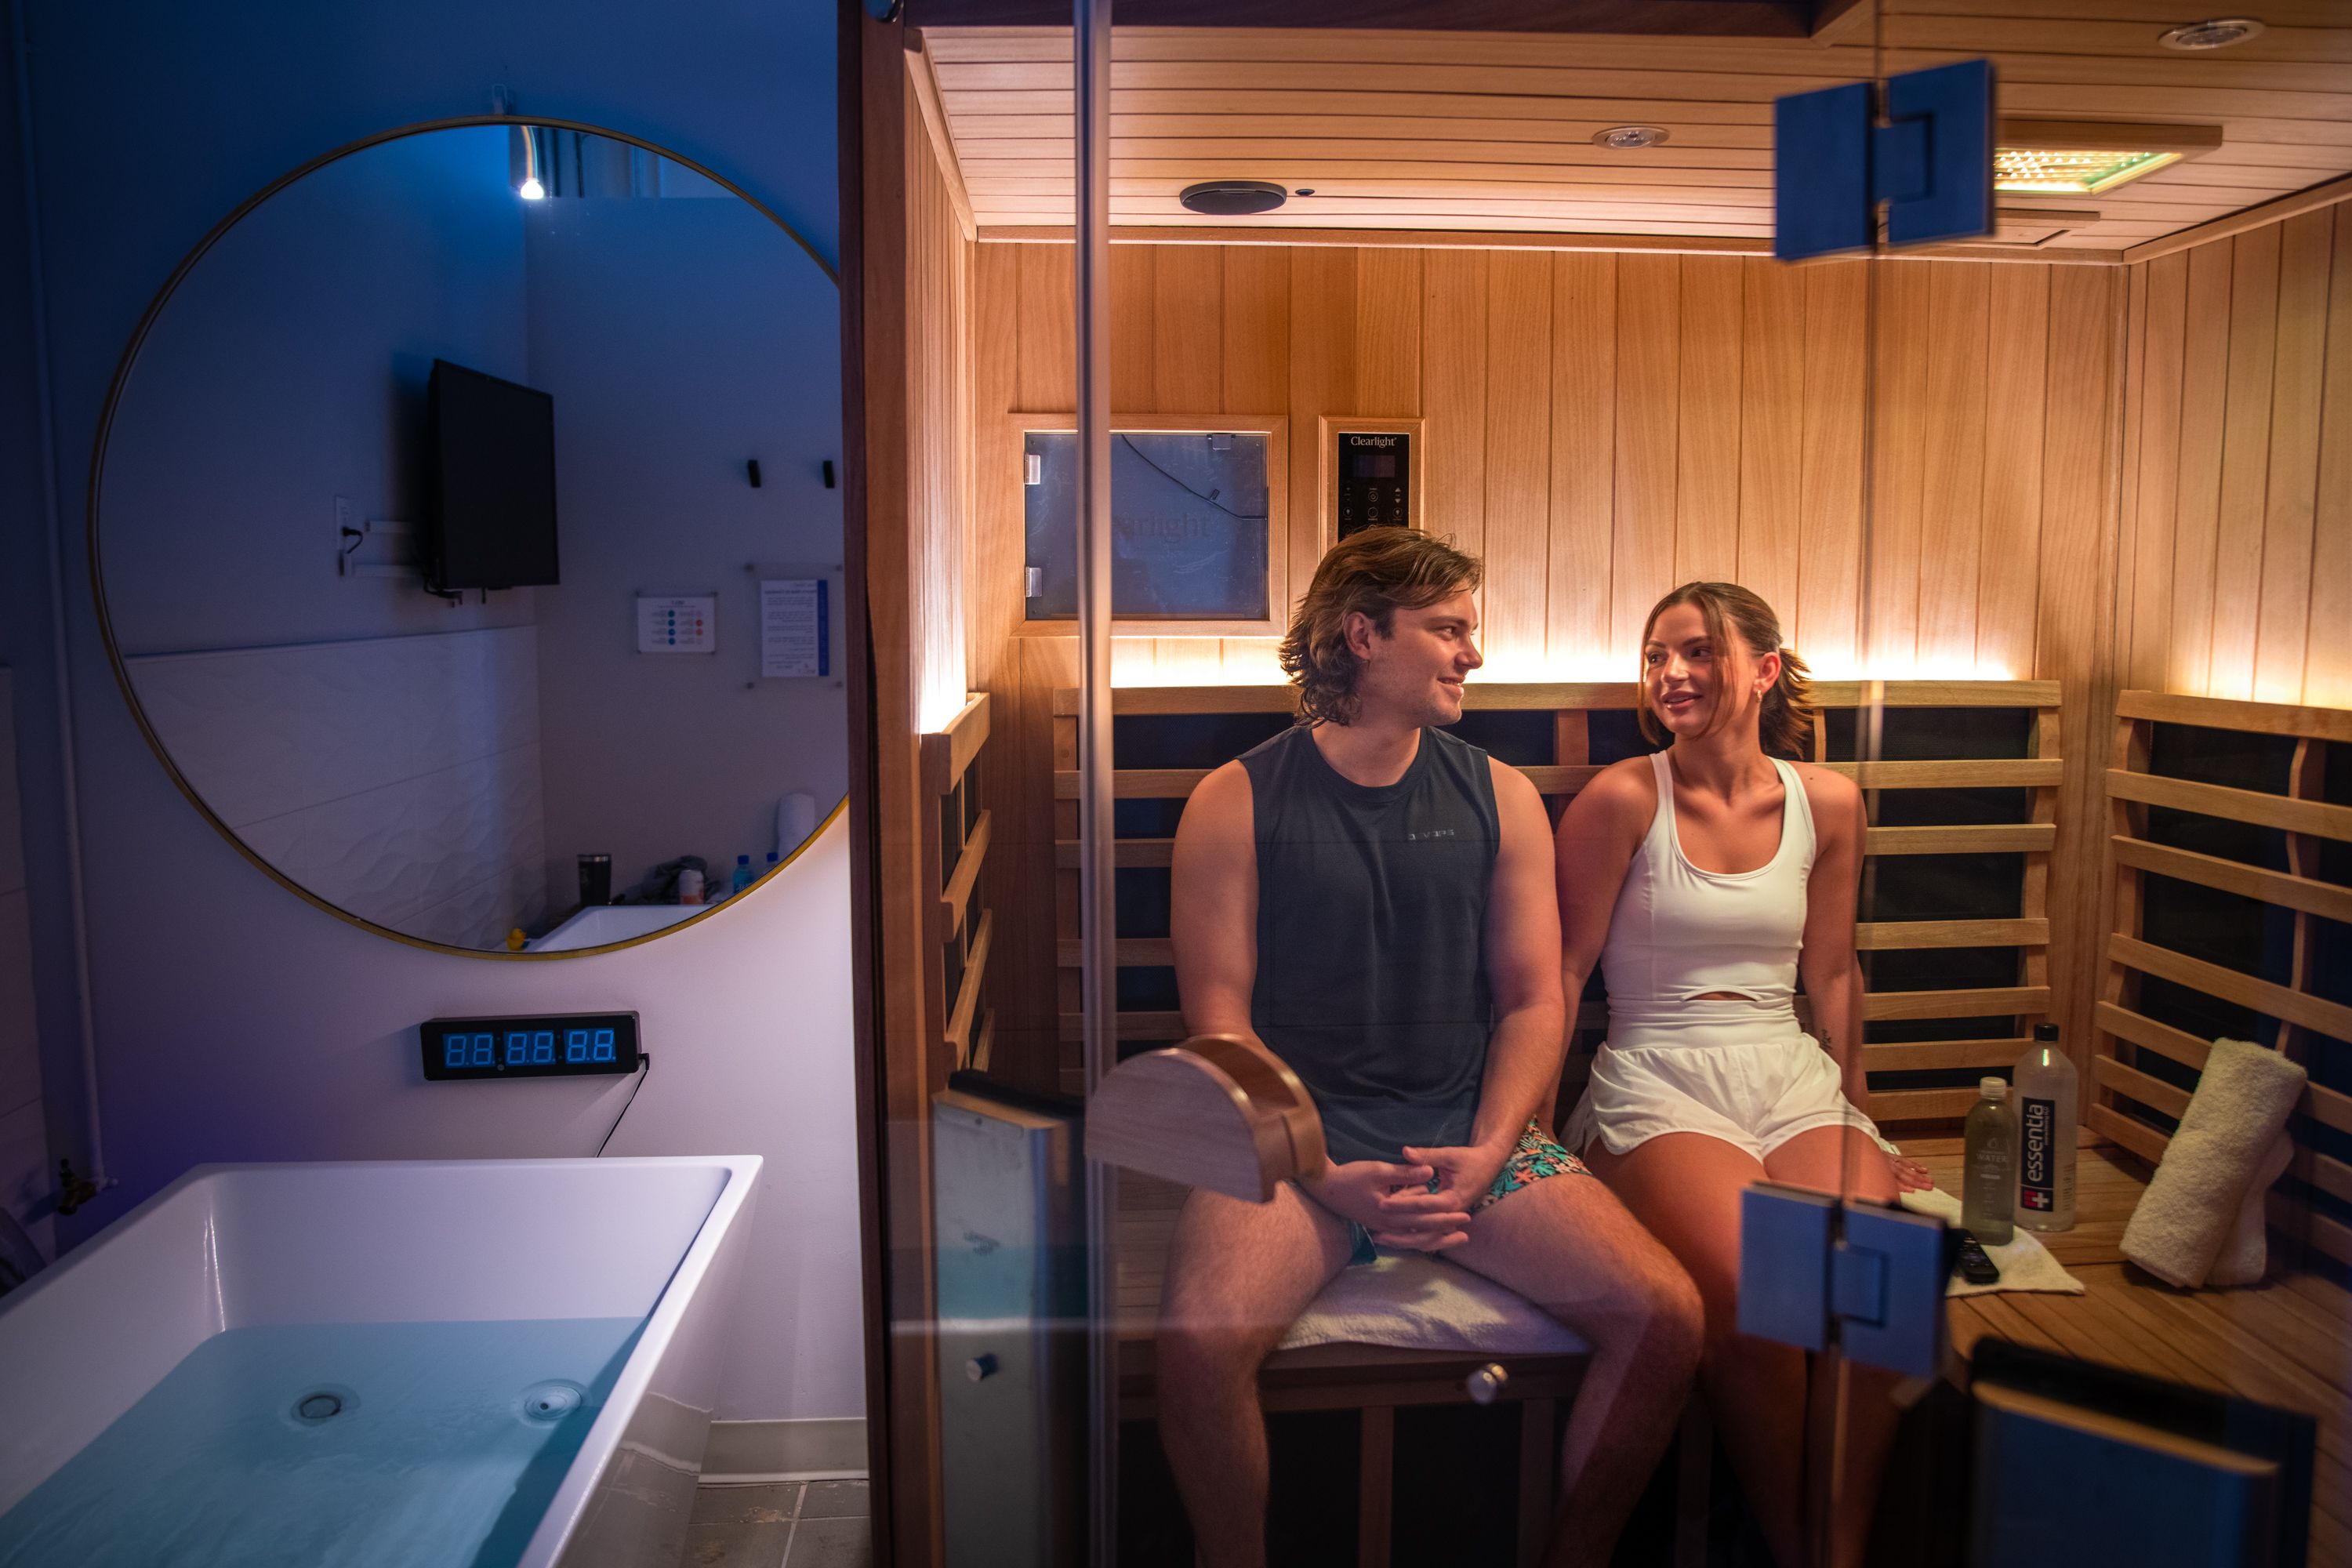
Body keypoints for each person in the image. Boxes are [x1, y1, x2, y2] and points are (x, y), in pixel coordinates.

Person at [1158, 531, 1704, 1568]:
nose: (1473, 653)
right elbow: (1221, 1029)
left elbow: (1533, 998)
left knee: (1667, 1316)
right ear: (1364, 636)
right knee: (1194, 1347)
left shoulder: (1500, 797)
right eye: (1449, 629)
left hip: (1466, 1130)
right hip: (1294, 1149)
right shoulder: (1235, 800)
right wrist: (1322, 1168)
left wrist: (1494, 1148)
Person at [1552, 581, 1932, 1568]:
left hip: (1788, 1070)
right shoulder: (1623, 798)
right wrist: (1536, 1139)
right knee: (1763, 1285)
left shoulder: (1829, 802)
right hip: (1659, 1074)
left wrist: (1865, 1121)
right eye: (1656, 655)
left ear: (1763, 670)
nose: (1670, 673)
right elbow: (1560, 972)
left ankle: (1838, 1546)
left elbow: (1832, 972)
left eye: (1697, 651)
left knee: (1881, 1275)